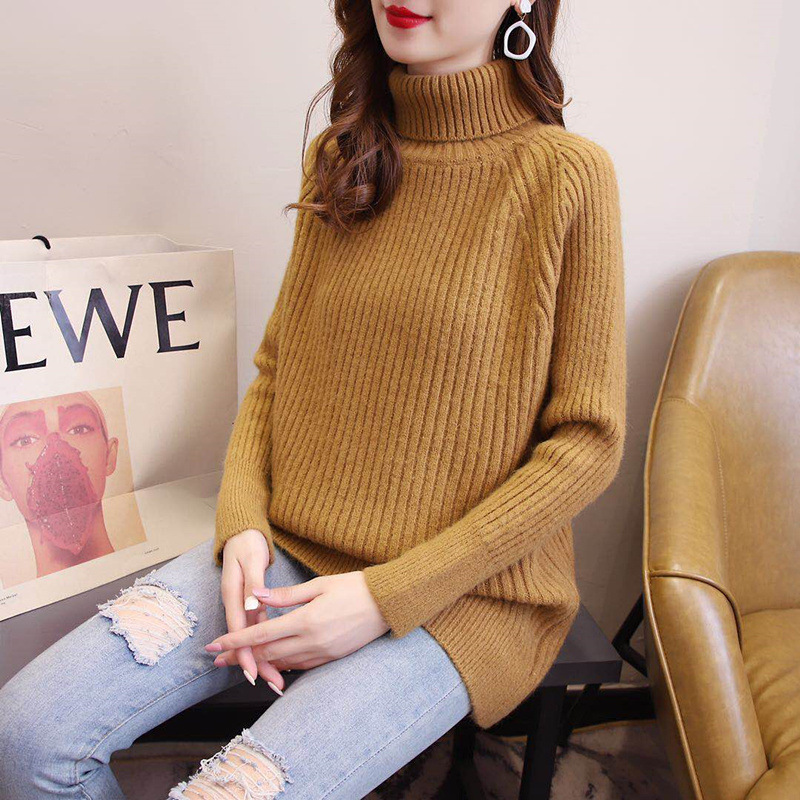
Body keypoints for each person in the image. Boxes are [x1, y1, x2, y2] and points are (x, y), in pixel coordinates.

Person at [0, 0, 627, 797]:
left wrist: (384, 596)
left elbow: (588, 442)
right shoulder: (345, 153)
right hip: (291, 545)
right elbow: (278, 370)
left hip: (468, 592)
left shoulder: (567, 176)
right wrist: (243, 525)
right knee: (25, 737)